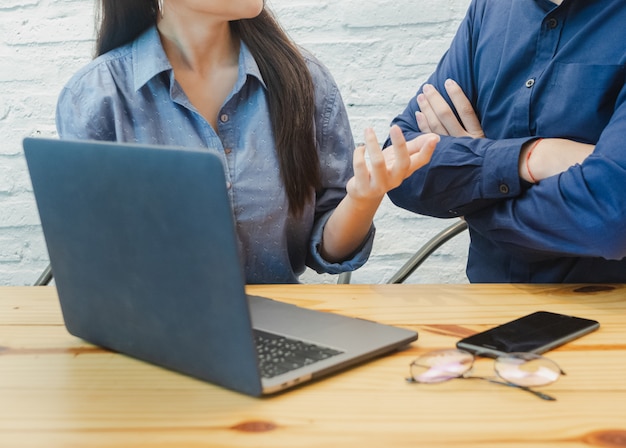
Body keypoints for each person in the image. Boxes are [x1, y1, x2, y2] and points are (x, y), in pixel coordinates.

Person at [55, 0, 439, 283]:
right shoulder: (97, 96)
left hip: (284, 329)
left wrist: (363, 198)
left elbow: (326, 251)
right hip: (155, 334)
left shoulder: (305, 82)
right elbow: (96, 263)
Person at [386, 0, 626, 283]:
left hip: (611, 311)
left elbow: (610, 218)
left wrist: (474, 194)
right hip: (489, 307)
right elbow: (399, 166)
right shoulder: (489, 8)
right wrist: (532, 157)